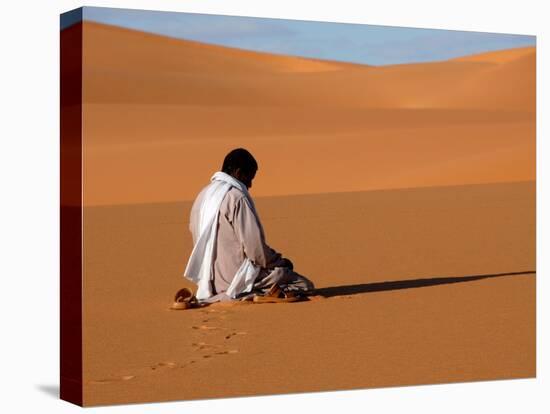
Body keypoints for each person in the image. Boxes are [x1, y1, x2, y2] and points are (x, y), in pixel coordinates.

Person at [183, 148, 315, 303]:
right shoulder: (236, 197)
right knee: (304, 285)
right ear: (238, 173)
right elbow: (256, 250)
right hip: (237, 279)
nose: (250, 184)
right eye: (249, 178)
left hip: (208, 282)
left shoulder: (203, 196)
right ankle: (256, 294)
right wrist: (281, 262)